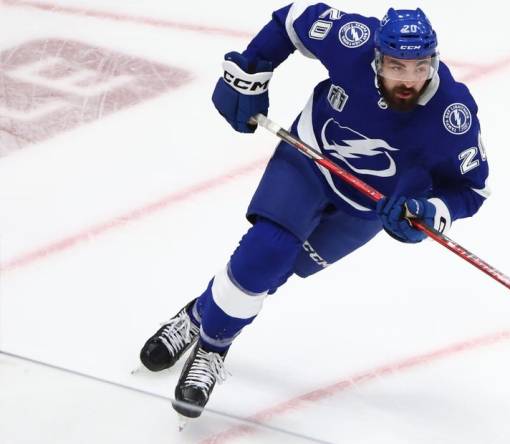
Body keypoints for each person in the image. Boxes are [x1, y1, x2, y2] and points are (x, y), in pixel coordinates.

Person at [138, 3, 490, 418]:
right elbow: (292, 18)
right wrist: (251, 69)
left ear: (432, 61)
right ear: (377, 58)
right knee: (266, 251)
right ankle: (212, 351)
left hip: (366, 209)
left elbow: (471, 188)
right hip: (309, 163)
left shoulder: (453, 114)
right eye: (396, 66)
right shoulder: (353, 40)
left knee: (273, 272)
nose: (409, 80)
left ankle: (199, 313)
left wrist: (428, 212)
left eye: (419, 67)